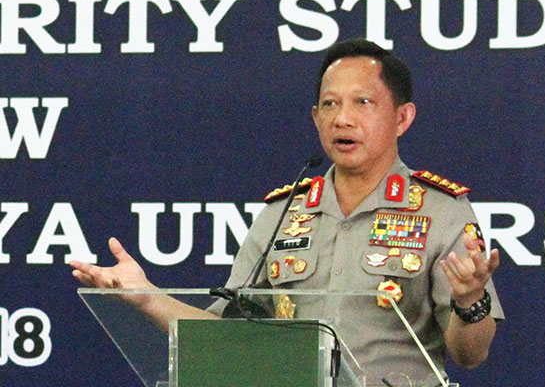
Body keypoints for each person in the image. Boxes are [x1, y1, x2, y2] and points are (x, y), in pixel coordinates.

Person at [71, 39, 503, 386]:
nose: (342, 119)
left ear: (402, 118)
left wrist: (470, 302)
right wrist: (148, 296)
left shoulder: (441, 211)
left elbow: (471, 354)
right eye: (329, 105)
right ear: (315, 118)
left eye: (362, 103)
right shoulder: (283, 213)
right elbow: (224, 337)